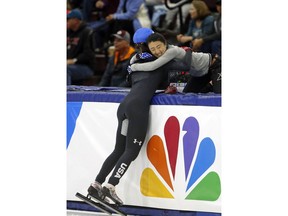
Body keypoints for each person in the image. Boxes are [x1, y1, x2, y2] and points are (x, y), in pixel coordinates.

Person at [86, 28, 191, 205]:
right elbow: (185, 67)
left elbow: (128, 80)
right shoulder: (163, 60)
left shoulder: (134, 60)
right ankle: (110, 186)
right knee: (131, 151)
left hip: (124, 107)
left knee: (118, 150)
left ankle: (95, 185)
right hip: (138, 109)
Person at [130, 32, 221, 94]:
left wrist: (133, 67)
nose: (157, 51)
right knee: (186, 96)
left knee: (219, 97)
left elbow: (152, 66)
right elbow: (142, 55)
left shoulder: (171, 51)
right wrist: (134, 58)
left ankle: (214, 83)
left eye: (159, 47)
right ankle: (210, 85)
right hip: (201, 73)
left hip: (215, 64)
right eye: (153, 49)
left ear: (165, 44)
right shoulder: (161, 53)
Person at [67, 8, 96, 85]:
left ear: (76, 20)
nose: (67, 21)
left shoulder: (87, 32)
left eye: (69, 19)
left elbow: (88, 54)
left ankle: (68, 95)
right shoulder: (68, 32)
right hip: (71, 65)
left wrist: (73, 60)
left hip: (86, 67)